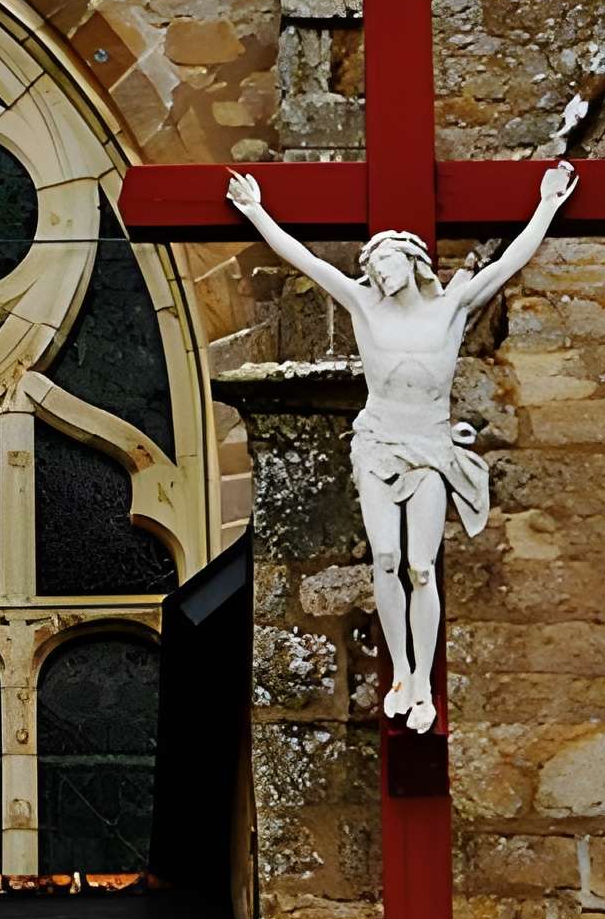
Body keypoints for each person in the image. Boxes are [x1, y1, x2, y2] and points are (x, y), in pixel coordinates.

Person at [225, 160, 578, 732]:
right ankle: (402, 674)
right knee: (385, 560)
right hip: (378, 443)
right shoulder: (365, 306)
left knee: (419, 566)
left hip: (431, 447)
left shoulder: (451, 308)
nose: (377, 273)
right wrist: (255, 211)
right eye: (371, 267)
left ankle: (422, 683)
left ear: (411, 262)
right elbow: (308, 262)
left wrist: (547, 203)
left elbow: (511, 262)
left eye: (385, 262)